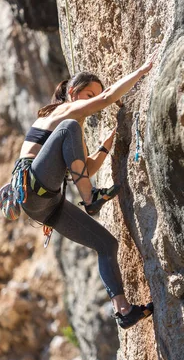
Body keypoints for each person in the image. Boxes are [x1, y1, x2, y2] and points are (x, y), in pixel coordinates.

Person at [16, 53, 157, 329]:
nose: (93, 100)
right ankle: (91, 198)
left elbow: (86, 170)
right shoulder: (63, 115)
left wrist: (105, 147)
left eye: (95, 95)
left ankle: (124, 310)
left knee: (106, 245)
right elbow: (105, 101)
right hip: (33, 186)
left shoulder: (70, 134)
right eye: (88, 94)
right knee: (70, 128)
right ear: (72, 93)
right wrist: (142, 70)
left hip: (46, 204)